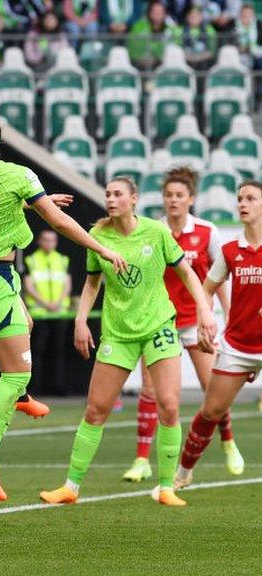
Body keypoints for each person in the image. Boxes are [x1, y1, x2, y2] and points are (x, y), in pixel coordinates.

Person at [0, 107, 127, 501]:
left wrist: (36, 201)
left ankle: (22, 396)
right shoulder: (18, 175)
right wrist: (101, 247)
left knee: (25, 327)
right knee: (12, 375)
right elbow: (60, 224)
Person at [39, 177, 217, 507]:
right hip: (118, 333)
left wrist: (205, 311)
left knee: (169, 405)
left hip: (158, 327)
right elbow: (92, 283)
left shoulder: (156, 231)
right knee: (95, 410)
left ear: (133, 199)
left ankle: (166, 487)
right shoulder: (97, 236)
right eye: (107, 193)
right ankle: (70, 488)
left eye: (117, 194)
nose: (110, 198)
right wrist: (80, 320)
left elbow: (187, 273)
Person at [122, 167, 241, 483]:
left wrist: (227, 317)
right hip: (160, 321)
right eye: (168, 195)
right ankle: (141, 460)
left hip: (195, 323)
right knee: (150, 390)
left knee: (213, 389)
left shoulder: (207, 231)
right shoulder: (152, 230)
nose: (173, 200)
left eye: (179, 195)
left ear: (191, 199)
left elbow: (221, 275)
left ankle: (228, 442)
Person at [175, 181, 262, 489]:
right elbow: (206, 288)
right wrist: (204, 317)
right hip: (238, 346)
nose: (243, 203)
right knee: (211, 410)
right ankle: (184, 472)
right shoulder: (229, 250)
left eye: (251, 198)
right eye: (240, 198)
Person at [24, 229, 72, 395]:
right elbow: (28, 285)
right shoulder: (31, 260)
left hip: (59, 313)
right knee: (37, 350)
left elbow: (67, 283)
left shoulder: (62, 259)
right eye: (45, 240)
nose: (49, 243)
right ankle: (35, 387)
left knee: (59, 350)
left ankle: (58, 387)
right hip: (39, 314)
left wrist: (57, 303)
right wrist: (45, 304)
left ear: (56, 242)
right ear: (39, 241)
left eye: (52, 240)